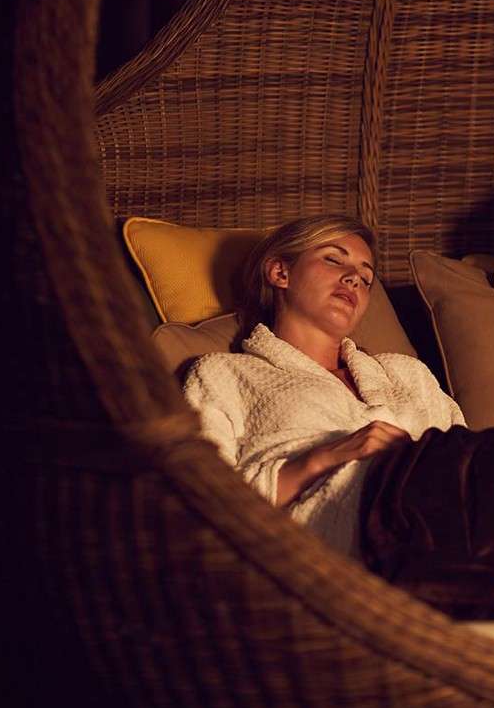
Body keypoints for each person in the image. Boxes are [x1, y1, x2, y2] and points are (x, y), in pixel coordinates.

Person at [183, 215, 465, 554]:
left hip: (441, 517)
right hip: (338, 536)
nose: (354, 280)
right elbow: (196, 505)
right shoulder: (222, 375)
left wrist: (411, 463)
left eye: (365, 277)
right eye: (334, 259)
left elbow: (468, 461)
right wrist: (322, 460)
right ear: (279, 273)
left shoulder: (407, 374)